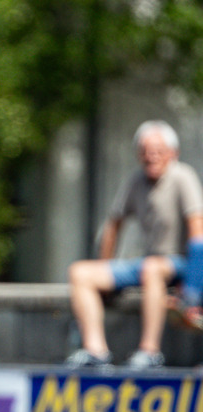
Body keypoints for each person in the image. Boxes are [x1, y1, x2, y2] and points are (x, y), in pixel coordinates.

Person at [66, 120, 203, 369]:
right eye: (145, 151)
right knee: (81, 273)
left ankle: (149, 352)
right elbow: (112, 225)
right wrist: (105, 267)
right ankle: (96, 351)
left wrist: (192, 290)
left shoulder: (183, 176)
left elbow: (198, 230)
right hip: (150, 263)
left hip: (180, 263)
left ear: (173, 153)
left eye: (158, 151)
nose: (151, 156)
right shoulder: (135, 180)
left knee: (151, 268)